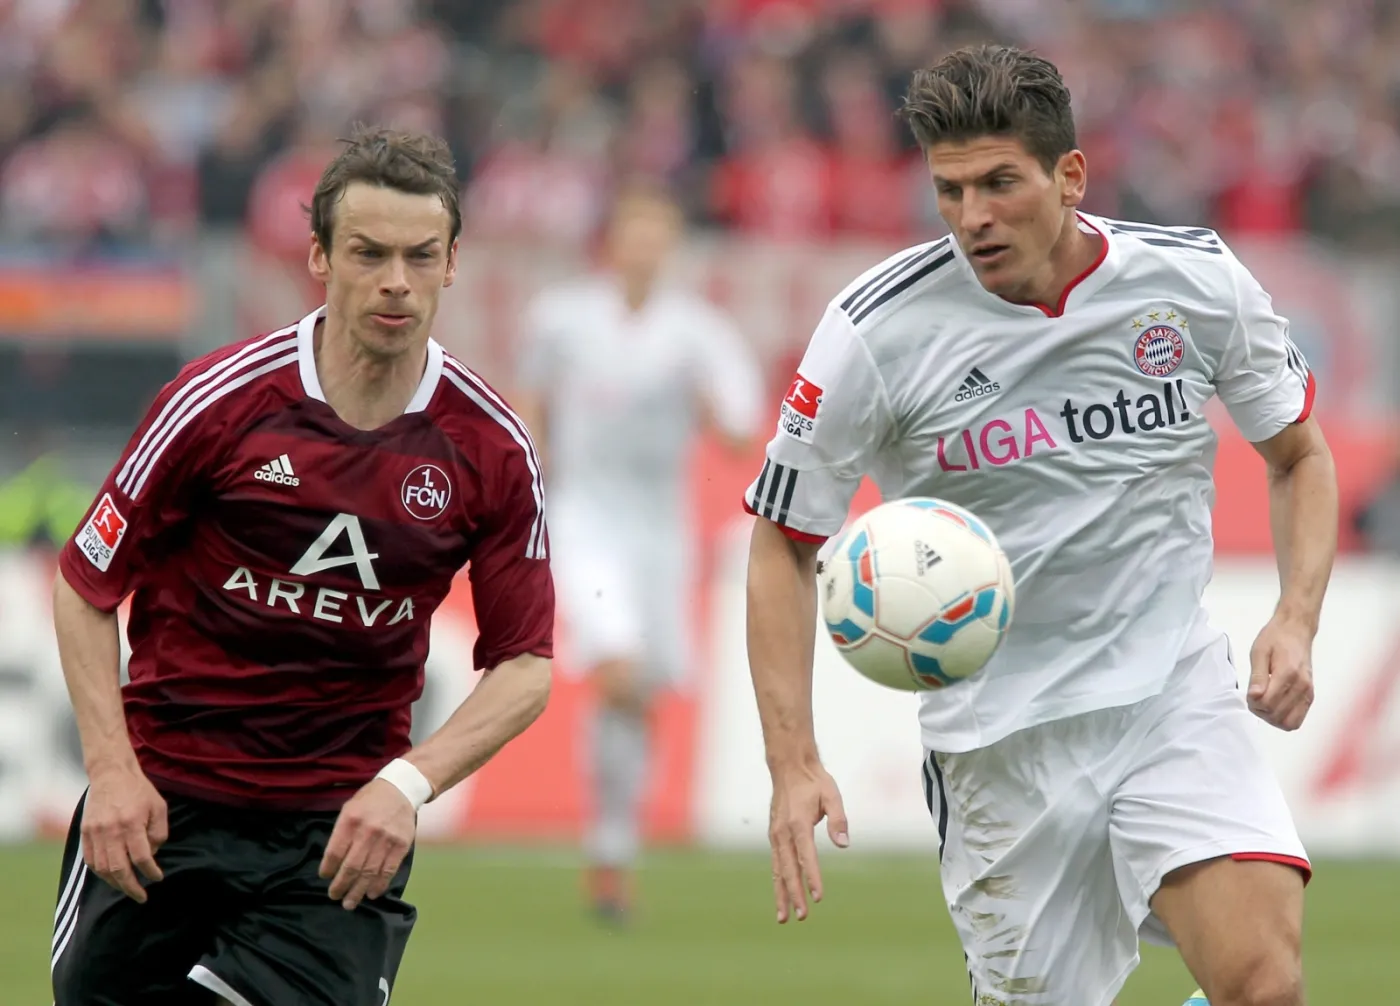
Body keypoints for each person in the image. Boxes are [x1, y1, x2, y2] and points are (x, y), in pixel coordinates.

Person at [744, 45, 1336, 1006]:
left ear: (1070, 175)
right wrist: (793, 761)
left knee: (1264, 985)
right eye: (949, 191)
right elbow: (783, 538)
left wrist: (1297, 616)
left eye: (999, 184)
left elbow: (1301, 456)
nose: (973, 218)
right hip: (1001, 744)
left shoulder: (1192, 282)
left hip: (1168, 694)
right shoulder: (875, 330)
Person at [49, 126, 554, 1006]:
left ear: (452, 264)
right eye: (368, 253)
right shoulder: (217, 403)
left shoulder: (491, 447)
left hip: (337, 835)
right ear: (319, 257)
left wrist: (406, 784)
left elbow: (526, 667)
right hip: (165, 807)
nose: (395, 280)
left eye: (419, 256)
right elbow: (84, 586)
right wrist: (111, 771)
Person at [514, 182, 763, 921]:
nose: (645, 248)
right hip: (585, 515)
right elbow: (526, 397)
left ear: (671, 247)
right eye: (634, 233)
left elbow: (742, 428)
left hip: (662, 532)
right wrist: (534, 466)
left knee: (640, 693)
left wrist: (716, 409)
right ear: (612, 241)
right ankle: (611, 850)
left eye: (658, 236)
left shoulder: (698, 333)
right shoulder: (561, 317)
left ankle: (611, 857)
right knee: (617, 669)